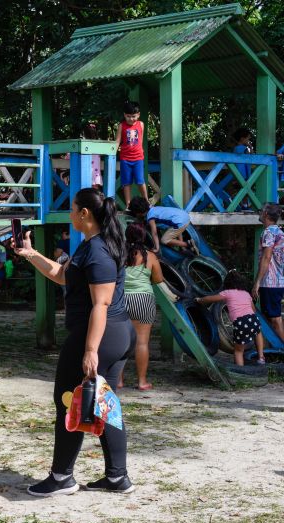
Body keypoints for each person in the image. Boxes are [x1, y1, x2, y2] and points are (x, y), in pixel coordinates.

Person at [13, 188, 136, 496]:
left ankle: (61, 477)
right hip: (113, 333)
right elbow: (62, 275)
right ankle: (117, 477)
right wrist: (31, 255)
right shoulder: (90, 245)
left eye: (72, 209)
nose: (69, 214)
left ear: (85, 214)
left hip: (100, 335)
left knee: (69, 399)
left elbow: (101, 304)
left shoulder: (98, 252)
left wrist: (91, 350)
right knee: (102, 402)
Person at [119, 222, 163, 390]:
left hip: (122, 300)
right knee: (142, 343)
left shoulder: (119, 254)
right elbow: (158, 279)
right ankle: (142, 382)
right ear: (144, 237)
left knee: (120, 342)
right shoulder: (150, 256)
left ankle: (118, 381)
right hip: (144, 299)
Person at [197, 271, 264, 366]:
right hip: (253, 319)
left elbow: (210, 299)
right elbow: (253, 310)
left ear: (227, 283)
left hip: (241, 323)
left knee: (238, 351)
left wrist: (200, 300)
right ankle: (261, 357)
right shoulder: (246, 293)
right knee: (258, 331)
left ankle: (240, 372)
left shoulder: (227, 292)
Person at [252, 203, 284, 341]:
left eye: (260, 211)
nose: (259, 213)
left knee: (275, 319)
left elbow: (267, 257)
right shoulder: (279, 232)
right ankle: (272, 350)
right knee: (270, 318)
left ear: (265, 214)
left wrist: (257, 283)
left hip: (270, 282)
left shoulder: (268, 233)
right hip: (278, 281)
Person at [126, 197, 196, 254]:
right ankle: (183, 248)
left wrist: (157, 248)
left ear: (139, 212)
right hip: (184, 217)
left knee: (164, 240)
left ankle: (187, 244)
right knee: (174, 228)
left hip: (180, 222)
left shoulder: (151, 216)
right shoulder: (153, 208)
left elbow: (154, 233)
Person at [116, 101, 147, 206]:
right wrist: (112, 153)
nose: (131, 119)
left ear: (138, 115)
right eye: (128, 116)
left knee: (140, 181)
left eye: (133, 116)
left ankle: (146, 201)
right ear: (124, 115)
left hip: (138, 158)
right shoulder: (122, 125)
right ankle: (128, 205)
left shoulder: (141, 124)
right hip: (125, 158)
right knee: (126, 183)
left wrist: (140, 152)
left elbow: (140, 141)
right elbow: (117, 141)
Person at [82, 123, 103, 190]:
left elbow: (69, 156)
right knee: (95, 195)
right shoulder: (100, 146)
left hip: (84, 174)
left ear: (84, 134)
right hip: (95, 175)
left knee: (84, 194)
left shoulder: (82, 145)